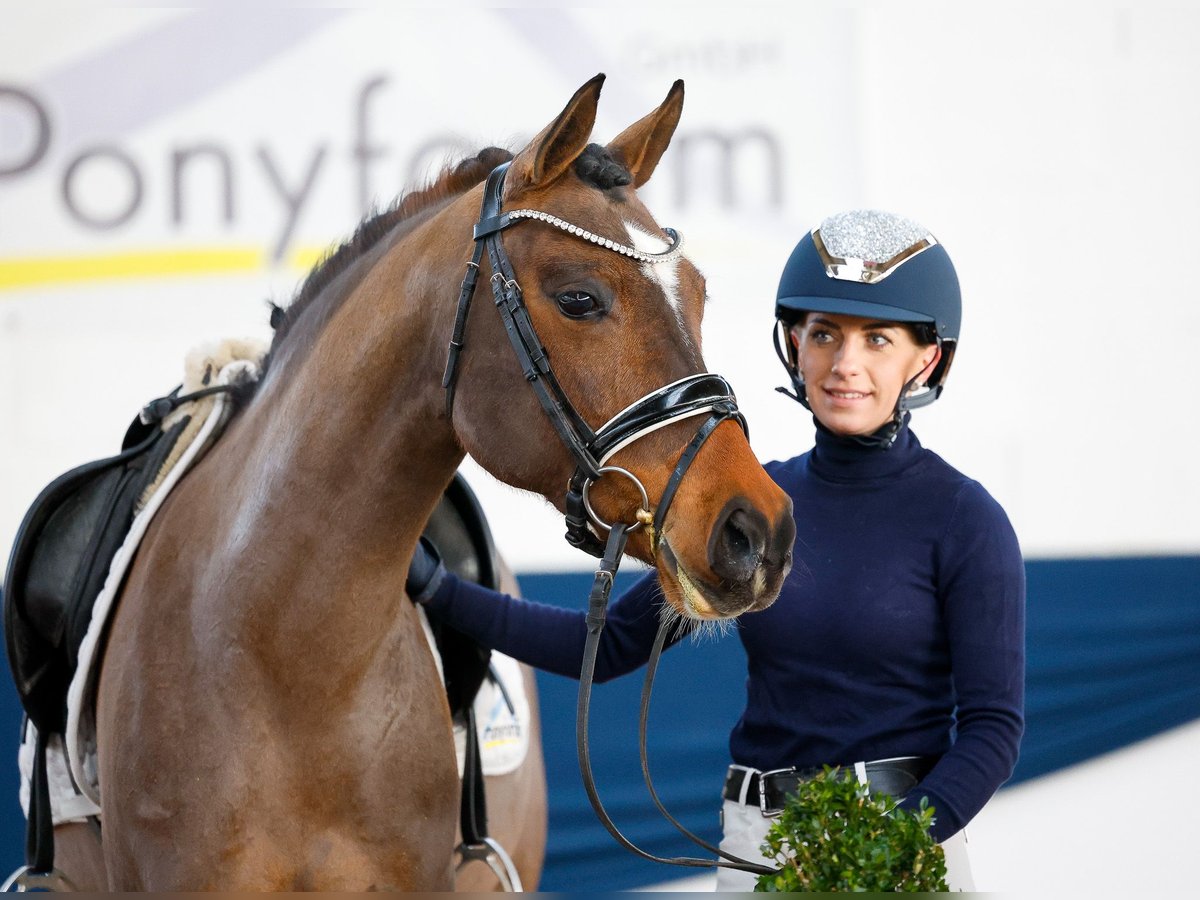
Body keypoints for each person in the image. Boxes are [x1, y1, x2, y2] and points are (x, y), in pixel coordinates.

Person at [407, 208, 1025, 891]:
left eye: (877, 341)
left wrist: (889, 843)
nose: (846, 365)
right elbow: (608, 647)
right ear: (795, 344)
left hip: (900, 844)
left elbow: (993, 729)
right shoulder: (759, 509)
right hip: (761, 843)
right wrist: (439, 591)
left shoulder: (966, 519)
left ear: (927, 359)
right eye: (824, 335)